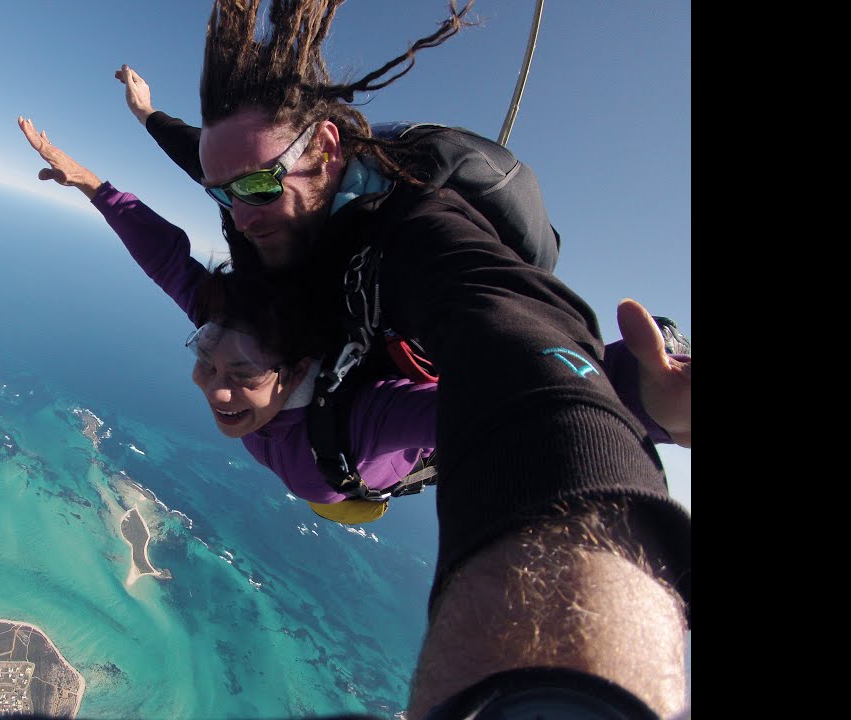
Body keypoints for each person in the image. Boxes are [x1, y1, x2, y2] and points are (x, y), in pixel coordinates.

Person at [114, 0, 692, 717]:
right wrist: (146, 115)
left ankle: (637, 388)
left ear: (326, 148)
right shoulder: (255, 187)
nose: (239, 215)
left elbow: (512, 338)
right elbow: (210, 157)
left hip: (399, 407)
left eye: (258, 186)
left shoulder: (418, 235)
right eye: (219, 195)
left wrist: (556, 685)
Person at [17, 117, 690, 530]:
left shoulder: (366, 428)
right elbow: (167, 259)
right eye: (208, 362)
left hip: (346, 478)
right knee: (320, 489)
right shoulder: (240, 328)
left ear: (300, 370)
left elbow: (514, 394)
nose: (214, 388)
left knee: (335, 497)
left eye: (240, 377)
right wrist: (94, 186)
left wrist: (639, 395)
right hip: (321, 474)